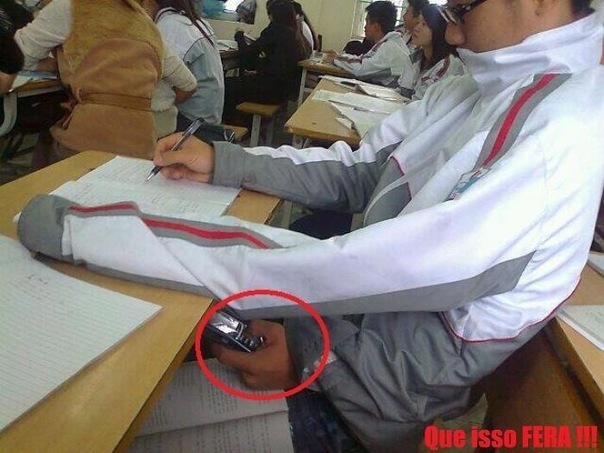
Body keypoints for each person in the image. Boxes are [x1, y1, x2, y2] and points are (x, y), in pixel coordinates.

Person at [17, 0, 604, 451]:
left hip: (359, 407)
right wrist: (225, 161)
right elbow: (362, 172)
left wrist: (81, 230)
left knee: (95, 420)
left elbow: (367, 268)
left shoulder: (557, 134)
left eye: (464, 6)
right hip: (340, 343)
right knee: (139, 347)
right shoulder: (480, 82)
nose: (449, 28)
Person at [13, 0, 195, 161]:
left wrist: (58, 64)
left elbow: (15, 57)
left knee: (47, 142)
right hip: (144, 140)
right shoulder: (143, 20)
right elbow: (188, 83)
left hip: (88, 137)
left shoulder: (70, 7)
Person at [223, 0, 310, 123]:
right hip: (284, 91)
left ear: (272, 15)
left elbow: (247, 60)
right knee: (238, 84)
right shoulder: (296, 35)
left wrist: (239, 37)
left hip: (270, 91)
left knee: (225, 85)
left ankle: (229, 126)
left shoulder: (274, 31)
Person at [144, 0, 225, 128]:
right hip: (207, 119)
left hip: (192, 125)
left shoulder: (169, 26)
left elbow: (175, 89)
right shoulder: (196, 22)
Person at [327, 1, 411, 87]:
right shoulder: (388, 42)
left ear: (376, 26)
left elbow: (361, 69)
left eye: (367, 22)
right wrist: (339, 56)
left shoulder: (390, 48)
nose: (365, 27)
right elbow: (364, 60)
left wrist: (336, 58)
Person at [398, 3, 465, 99]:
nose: (416, 28)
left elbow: (422, 103)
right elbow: (401, 92)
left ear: (438, 30)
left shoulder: (448, 66)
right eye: (418, 22)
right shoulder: (414, 58)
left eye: (424, 24)